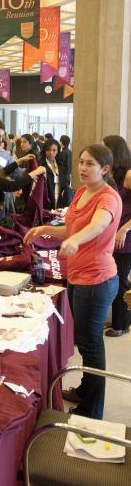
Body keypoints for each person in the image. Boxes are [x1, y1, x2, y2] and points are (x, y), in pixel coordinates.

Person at [24, 144, 121, 419]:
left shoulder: (108, 197)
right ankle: (84, 391)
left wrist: (75, 241)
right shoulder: (81, 191)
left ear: (105, 169)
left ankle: (92, 410)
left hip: (97, 280)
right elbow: (73, 228)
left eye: (90, 164)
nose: (82, 168)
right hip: (78, 277)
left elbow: (98, 226)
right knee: (84, 341)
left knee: (90, 345)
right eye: (81, 162)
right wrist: (46, 230)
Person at [103, 135, 131, 337]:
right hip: (115, 234)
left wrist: (125, 229)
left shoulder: (129, 174)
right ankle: (123, 319)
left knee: (119, 278)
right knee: (117, 277)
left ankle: (121, 324)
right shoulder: (113, 173)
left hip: (126, 236)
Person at [39, 138, 72, 209]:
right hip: (45, 200)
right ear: (44, 151)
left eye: (54, 150)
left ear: (57, 151)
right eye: (48, 150)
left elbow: (65, 181)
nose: (51, 153)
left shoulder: (61, 165)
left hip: (60, 199)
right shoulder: (40, 165)